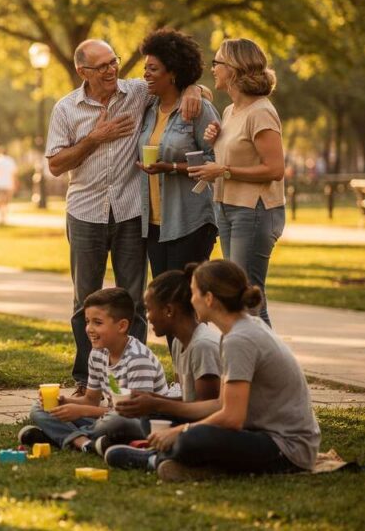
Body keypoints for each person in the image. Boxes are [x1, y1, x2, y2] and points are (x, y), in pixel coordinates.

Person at [45, 38, 202, 395]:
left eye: (113, 61)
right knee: (85, 300)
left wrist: (194, 88)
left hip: (131, 212)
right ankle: (88, 380)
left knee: (133, 300)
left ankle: (134, 377)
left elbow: (175, 83)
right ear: (82, 71)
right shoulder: (66, 109)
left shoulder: (136, 92)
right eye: (101, 66)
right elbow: (55, 165)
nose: (111, 70)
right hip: (85, 213)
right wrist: (94, 138)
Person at [105, 260, 321, 482]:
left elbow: (232, 418)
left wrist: (180, 431)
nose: (190, 301)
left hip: (287, 448)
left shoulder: (239, 339)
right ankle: (182, 463)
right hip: (259, 434)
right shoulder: (238, 331)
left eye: (193, 293)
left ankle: (154, 459)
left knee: (192, 438)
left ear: (208, 299)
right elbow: (220, 404)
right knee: (165, 421)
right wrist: (157, 403)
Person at [134, 29, 220, 350]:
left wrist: (171, 167)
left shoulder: (197, 109)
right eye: (145, 68)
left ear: (172, 73)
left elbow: (214, 162)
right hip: (155, 224)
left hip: (190, 221)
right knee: (165, 307)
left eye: (153, 68)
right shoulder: (148, 108)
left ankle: (199, 370)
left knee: (187, 306)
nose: (146, 74)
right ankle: (180, 372)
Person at [191, 38, 285, 325]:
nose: (213, 68)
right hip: (226, 207)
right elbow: (239, 153)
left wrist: (224, 170)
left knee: (247, 297)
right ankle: (246, 351)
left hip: (253, 211)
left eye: (217, 63)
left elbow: (275, 169)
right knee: (236, 295)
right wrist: (216, 140)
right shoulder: (230, 111)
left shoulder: (261, 111)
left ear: (234, 68)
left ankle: (264, 353)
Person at [17, 288, 170, 453]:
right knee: (39, 408)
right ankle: (84, 442)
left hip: (142, 423)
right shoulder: (98, 353)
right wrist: (65, 402)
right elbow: (91, 400)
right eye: (87, 321)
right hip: (107, 418)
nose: (89, 328)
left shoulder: (138, 358)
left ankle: (59, 437)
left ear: (122, 326)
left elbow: (136, 413)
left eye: (97, 322)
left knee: (116, 421)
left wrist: (81, 411)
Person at [105, 269, 222, 450]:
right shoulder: (178, 342)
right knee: (131, 420)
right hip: (188, 421)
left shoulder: (203, 346)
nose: (147, 316)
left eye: (148, 309)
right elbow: (189, 400)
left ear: (168, 310)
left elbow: (205, 410)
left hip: (203, 428)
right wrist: (150, 398)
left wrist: (156, 405)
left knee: (120, 423)